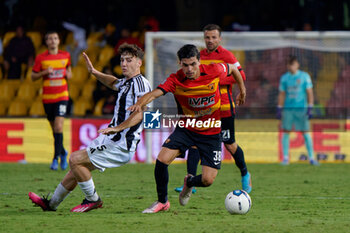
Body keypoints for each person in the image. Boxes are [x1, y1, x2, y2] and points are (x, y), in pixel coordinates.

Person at [29, 43, 151, 212]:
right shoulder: (127, 82)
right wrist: (94, 72)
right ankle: (51, 205)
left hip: (121, 143)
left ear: (139, 63)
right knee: (77, 168)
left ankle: (93, 199)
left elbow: (140, 114)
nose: (124, 63)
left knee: (74, 159)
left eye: (128, 60)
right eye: (122, 60)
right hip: (112, 139)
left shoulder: (141, 85)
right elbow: (113, 82)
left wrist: (117, 128)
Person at [128, 44, 246, 213]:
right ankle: (162, 202)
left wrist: (242, 90)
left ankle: (189, 183)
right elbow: (155, 93)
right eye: (185, 65)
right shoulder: (175, 79)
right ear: (179, 64)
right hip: (186, 129)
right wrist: (140, 103)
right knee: (161, 160)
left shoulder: (214, 70)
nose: (189, 69)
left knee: (207, 180)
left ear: (199, 61)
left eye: (193, 64)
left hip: (211, 132)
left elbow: (233, 68)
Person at [174, 24, 252, 194]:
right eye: (207, 37)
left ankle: (245, 174)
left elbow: (242, 76)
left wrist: (214, 80)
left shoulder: (226, 55)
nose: (210, 41)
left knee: (230, 145)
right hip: (204, 110)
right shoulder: (198, 56)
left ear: (219, 39)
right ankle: (190, 181)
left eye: (213, 37)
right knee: (195, 143)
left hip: (223, 108)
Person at [31, 31, 72, 170]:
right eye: (49, 39)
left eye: (55, 38)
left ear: (59, 40)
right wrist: (44, 73)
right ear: (46, 42)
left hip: (62, 96)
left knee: (59, 127)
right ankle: (63, 151)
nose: (52, 41)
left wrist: (68, 74)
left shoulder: (65, 55)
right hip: (47, 98)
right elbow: (33, 76)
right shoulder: (41, 58)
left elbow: (69, 73)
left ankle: (56, 158)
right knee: (54, 129)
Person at [277, 55, 318, 165]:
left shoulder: (305, 76)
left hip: (301, 109)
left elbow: (310, 92)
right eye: (289, 64)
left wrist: (310, 107)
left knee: (305, 133)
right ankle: (285, 158)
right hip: (288, 110)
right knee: (286, 132)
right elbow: (282, 94)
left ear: (297, 65)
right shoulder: (284, 78)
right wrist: (279, 108)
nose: (291, 67)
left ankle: (312, 158)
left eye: (293, 64)